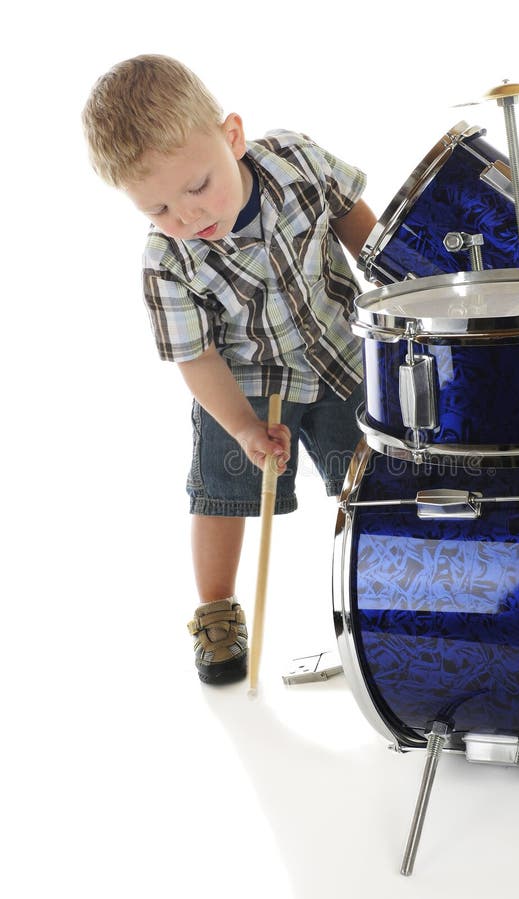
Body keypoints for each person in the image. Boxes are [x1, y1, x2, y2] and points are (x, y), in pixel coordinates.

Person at [82, 54, 376, 685]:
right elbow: (196, 356)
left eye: (196, 187)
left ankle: (384, 600)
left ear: (232, 137)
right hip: (240, 382)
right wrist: (243, 426)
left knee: (373, 481)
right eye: (157, 209)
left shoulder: (295, 159)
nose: (186, 217)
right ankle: (216, 612)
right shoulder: (168, 261)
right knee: (223, 491)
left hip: (341, 353)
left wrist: (393, 285)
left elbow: (355, 219)